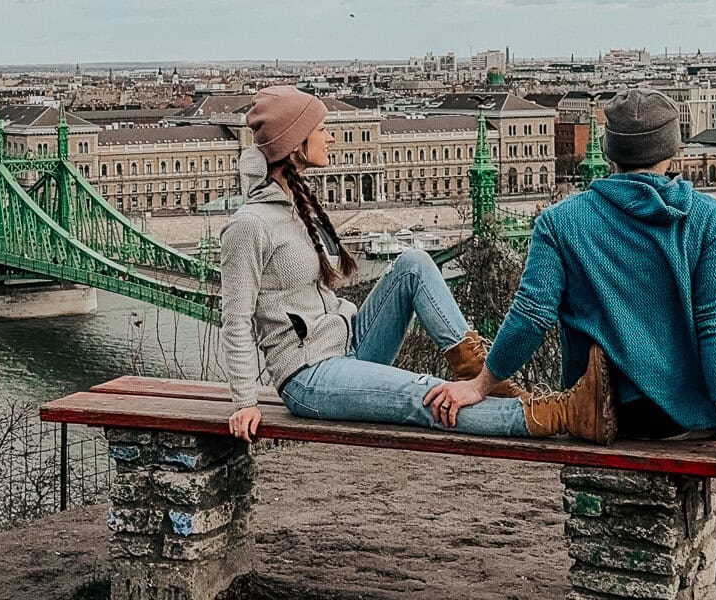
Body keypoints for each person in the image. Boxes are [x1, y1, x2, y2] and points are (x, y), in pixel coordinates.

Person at [424, 87, 716, 600]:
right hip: (676, 411)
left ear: (609, 151)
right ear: (674, 150)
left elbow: (530, 316)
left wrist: (481, 383)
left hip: (602, 408)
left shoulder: (560, 222)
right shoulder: (706, 219)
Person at [220, 85, 616, 448]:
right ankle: (563, 413)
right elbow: (235, 320)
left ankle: (482, 374)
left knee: (413, 263)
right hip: (310, 376)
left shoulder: (296, 204)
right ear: (294, 144)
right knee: (426, 394)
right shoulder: (249, 225)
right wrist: (244, 401)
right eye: (322, 129)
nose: (332, 137)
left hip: (350, 343)